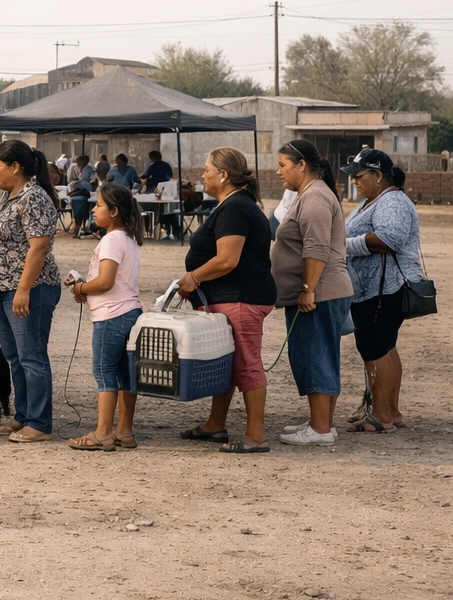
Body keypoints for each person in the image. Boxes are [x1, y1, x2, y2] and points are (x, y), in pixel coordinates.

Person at [176, 147, 276, 453]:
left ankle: (255, 435)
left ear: (223, 175)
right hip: (232, 296)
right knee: (228, 361)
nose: (202, 175)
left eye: (207, 170)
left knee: (246, 363)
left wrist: (193, 277)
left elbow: (227, 260)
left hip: (241, 297)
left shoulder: (235, 208)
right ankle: (215, 423)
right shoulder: (233, 205)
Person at [0, 139, 62, 443]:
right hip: (0, 287)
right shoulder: (4, 196)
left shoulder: (34, 198)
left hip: (30, 289)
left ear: (15, 166)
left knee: (31, 356)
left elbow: (39, 247)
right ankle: (24, 415)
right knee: (14, 356)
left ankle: (39, 423)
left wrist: (23, 289)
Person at [272, 139, 353, 447]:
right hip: (324, 291)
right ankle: (322, 424)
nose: (279, 172)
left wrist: (308, 289)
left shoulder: (316, 197)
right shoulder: (310, 194)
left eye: (283, 165)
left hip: (320, 292)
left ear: (301, 165)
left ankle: (320, 429)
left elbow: (316, 249)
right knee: (319, 356)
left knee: (314, 356)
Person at [341, 149, 423, 432]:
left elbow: (389, 239)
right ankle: (390, 411)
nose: (355, 181)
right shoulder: (373, 200)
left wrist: (344, 245)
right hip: (375, 288)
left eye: (359, 176)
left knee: (375, 348)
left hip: (385, 288)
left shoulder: (392, 201)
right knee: (385, 347)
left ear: (378, 176)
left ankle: (381, 416)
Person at [67, 183, 144, 451]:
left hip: (111, 315)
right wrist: (86, 289)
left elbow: (105, 282)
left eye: (98, 205)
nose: (93, 209)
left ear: (113, 211)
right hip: (130, 311)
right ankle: (124, 430)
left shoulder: (110, 239)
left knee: (103, 370)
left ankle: (102, 432)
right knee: (124, 372)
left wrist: (80, 288)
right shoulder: (129, 238)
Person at [66, 154, 94, 238]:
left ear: (83, 161)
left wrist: (74, 183)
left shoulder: (87, 169)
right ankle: (77, 226)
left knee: (80, 208)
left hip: (84, 189)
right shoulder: (78, 168)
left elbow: (84, 180)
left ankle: (79, 227)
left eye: (78, 161)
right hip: (78, 191)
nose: (77, 163)